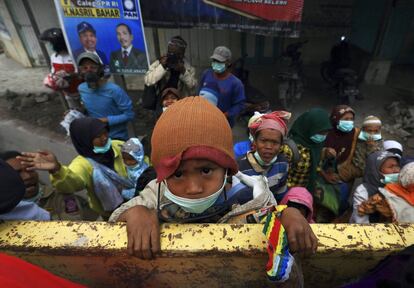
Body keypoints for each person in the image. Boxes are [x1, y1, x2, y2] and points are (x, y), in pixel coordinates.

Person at [109, 97, 317, 261]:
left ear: (227, 168)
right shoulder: (157, 193)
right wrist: (136, 213)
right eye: (178, 174)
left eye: (206, 170)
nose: (193, 188)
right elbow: (116, 216)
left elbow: (270, 217)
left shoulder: (253, 195)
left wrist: (288, 215)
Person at [18, 117, 134, 219]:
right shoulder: (82, 164)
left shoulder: (118, 145)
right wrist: (57, 169)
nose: (104, 138)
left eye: (105, 133)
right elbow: (72, 184)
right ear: (85, 140)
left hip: (138, 201)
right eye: (98, 136)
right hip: (111, 214)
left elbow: (141, 162)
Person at [77, 52, 135, 141]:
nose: (89, 71)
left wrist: (105, 120)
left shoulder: (114, 90)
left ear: (100, 70)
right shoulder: (81, 89)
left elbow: (130, 115)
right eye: (84, 68)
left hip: (117, 137)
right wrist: (76, 113)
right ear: (80, 71)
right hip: (95, 136)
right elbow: (89, 110)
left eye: (93, 67)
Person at [238, 111, 291, 202]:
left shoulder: (283, 164)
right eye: (263, 140)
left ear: (281, 145)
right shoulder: (239, 167)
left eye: (275, 142)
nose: (268, 147)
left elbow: (280, 192)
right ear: (254, 141)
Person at [280, 108, 332, 194]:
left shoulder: (316, 144)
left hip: (306, 191)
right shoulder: (289, 149)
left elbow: (315, 165)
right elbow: (281, 177)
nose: (323, 136)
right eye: (320, 132)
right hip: (290, 194)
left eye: (326, 132)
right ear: (308, 128)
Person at [199, 46, 245, 127]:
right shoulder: (206, 74)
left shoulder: (236, 83)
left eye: (220, 61)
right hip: (203, 119)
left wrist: (224, 115)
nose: (216, 63)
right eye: (214, 60)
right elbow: (199, 93)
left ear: (228, 63)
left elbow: (239, 105)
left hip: (224, 123)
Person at [350, 151, 401, 224]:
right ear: (375, 171)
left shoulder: (402, 187)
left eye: (397, 166)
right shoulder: (364, 190)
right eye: (391, 167)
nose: (396, 170)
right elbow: (361, 223)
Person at [40, 27, 83, 110]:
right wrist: (52, 79)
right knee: (75, 112)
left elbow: (83, 73)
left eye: (50, 43)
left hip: (81, 92)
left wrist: (71, 75)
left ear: (58, 44)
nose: (49, 46)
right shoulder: (54, 57)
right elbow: (53, 71)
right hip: (67, 93)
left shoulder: (76, 56)